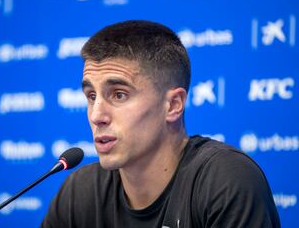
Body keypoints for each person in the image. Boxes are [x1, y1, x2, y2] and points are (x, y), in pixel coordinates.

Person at [41, 20, 280, 227]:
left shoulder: (224, 180)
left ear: (173, 105)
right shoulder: (80, 193)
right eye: (92, 97)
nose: (96, 115)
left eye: (119, 95)